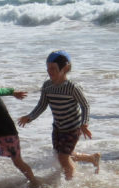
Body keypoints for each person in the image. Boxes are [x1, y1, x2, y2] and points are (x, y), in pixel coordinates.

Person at [17, 51, 100, 180]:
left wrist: (84, 123)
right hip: (57, 127)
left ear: (65, 68)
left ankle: (69, 185)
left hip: (72, 128)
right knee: (60, 155)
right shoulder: (47, 86)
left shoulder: (72, 87)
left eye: (53, 69)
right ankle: (91, 158)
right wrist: (30, 116)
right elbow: (42, 105)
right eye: (48, 68)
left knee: (63, 157)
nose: (50, 71)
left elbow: (85, 105)